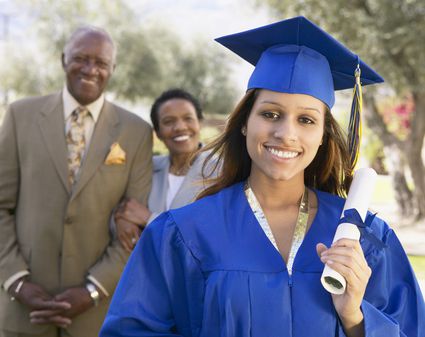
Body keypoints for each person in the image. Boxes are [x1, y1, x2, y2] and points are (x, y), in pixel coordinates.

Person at [100, 17, 425, 337]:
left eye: (306, 120)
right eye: (270, 114)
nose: (286, 133)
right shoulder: (183, 233)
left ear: (324, 135)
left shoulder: (365, 238)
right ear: (244, 122)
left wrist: (355, 317)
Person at [0, 26, 152, 337]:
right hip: (23, 313)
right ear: (62, 60)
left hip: (96, 318)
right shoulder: (19, 116)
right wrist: (16, 281)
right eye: (80, 58)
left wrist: (93, 290)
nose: (90, 69)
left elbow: (133, 226)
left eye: (100, 63)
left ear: (112, 69)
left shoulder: (137, 132)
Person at [114, 88, 214, 252]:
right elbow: (124, 206)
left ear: (199, 123)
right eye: (168, 122)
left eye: (188, 118)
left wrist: (149, 219)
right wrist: (121, 219)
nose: (180, 127)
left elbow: (208, 236)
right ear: (158, 133)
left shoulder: (222, 172)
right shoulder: (147, 167)